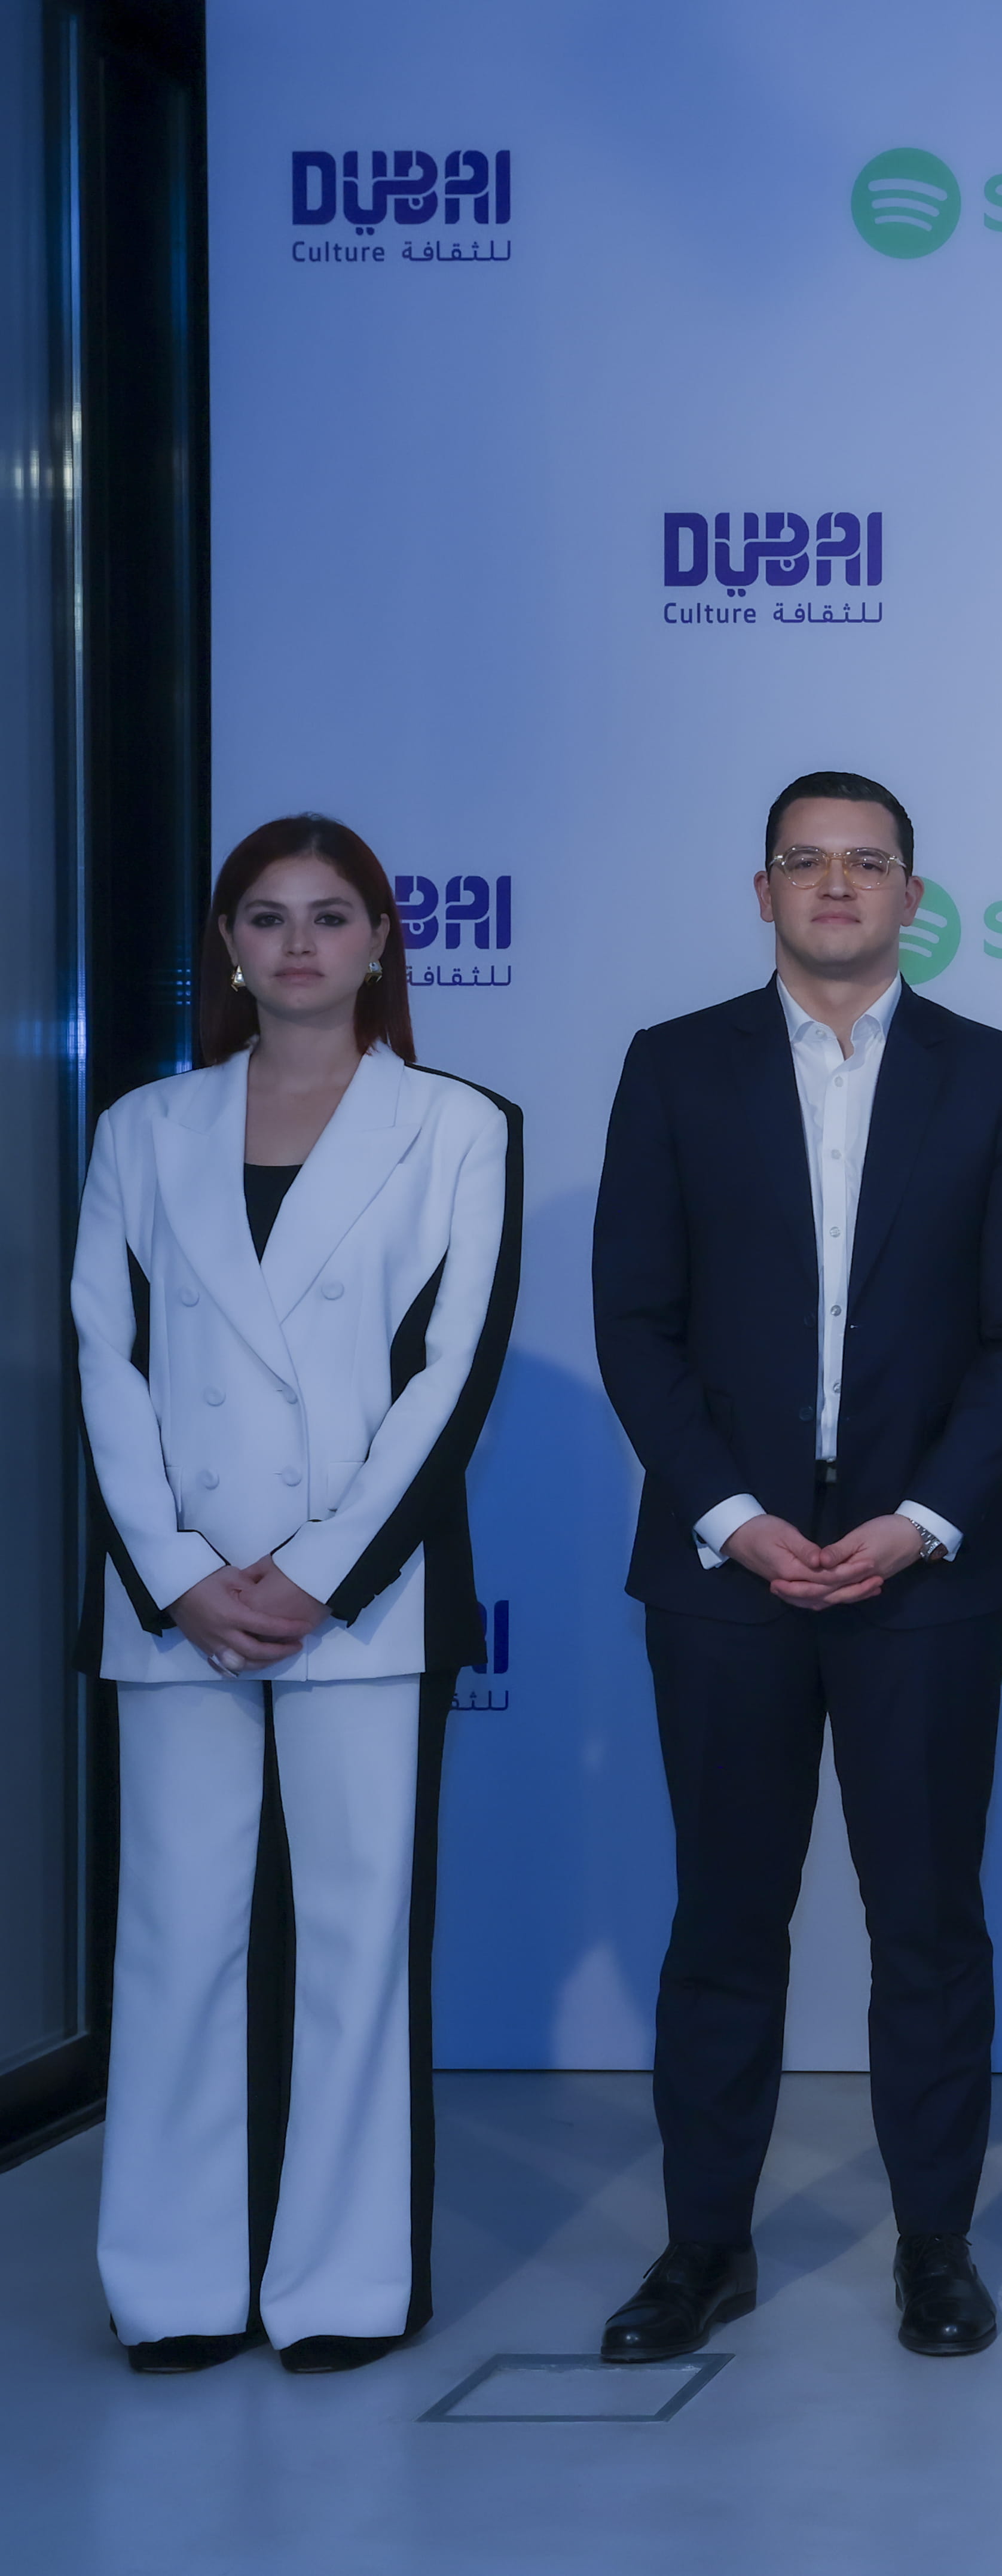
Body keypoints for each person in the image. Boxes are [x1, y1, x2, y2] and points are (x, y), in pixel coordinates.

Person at [588, 771, 1002, 2364]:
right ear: (764, 891)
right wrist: (730, 1511)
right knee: (725, 1922)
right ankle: (703, 2248)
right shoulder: (675, 1066)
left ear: (914, 896)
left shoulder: (997, 1077)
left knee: (926, 1923)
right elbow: (635, 1320)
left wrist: (923, 1515)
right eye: (807, 860)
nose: (839, 883)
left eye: (869, 861)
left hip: (924, 1571)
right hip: (724, 1568)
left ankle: (935, 2245)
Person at [75, 815, 522, 2375]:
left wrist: (318, 1573)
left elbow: (450, 1373)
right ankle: (173, 2283)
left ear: (383, 940)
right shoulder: (143, 1128)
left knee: (354, 1941)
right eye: (266, 917)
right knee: (174, 1936)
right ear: (227, 944)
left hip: (360, 1595)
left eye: (332, 916)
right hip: (180, 1596)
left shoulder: (457, 1125)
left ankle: (341, 2284)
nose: (300, 944)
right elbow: (105, 1359)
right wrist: (182, 1573)